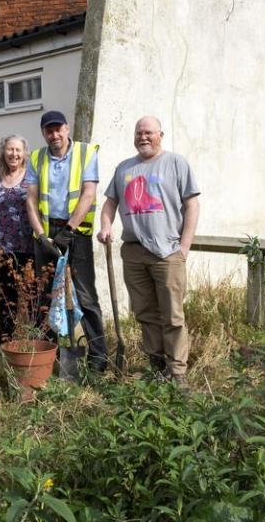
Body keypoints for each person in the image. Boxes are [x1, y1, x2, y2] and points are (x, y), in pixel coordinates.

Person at [97, 116, 200, 388]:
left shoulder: (176, 163)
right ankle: (156, 364)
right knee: (145, 312)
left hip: (167, 252)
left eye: (149, 133)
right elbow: (109, 203)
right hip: (133, 252)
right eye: (139, 132)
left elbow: (192, 205)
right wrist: (106, 226)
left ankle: (178, 372)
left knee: (172, 314)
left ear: (160, 135)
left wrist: (184, 246)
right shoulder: (124, 168)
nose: (143, 137)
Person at [26, 110, 107, 373]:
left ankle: (98, 359)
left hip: (76, 234)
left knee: (86, 296)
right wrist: (41, 236)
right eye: (49, 130)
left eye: (58, 129)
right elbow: (30, 200)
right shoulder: (36, 157)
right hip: (48, 236)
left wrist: (69, 230)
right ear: (43, 133)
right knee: (46, 297)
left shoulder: (85, 153)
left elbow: (89, 193)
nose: (54, 134)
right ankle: (49, 358)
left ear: (67, 128)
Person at [0, 134, 34, 342]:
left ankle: (32, 342)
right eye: (10, 149)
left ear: (24, 154)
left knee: (32, 296)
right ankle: (5, 343)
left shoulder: (31, 175)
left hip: (30, 246)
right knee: (7, 298)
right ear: (3, 152)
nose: (14, 154)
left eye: (18, 150)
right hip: (4, 247)